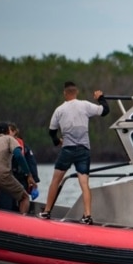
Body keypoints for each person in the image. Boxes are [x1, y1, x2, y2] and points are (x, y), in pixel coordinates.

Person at [41, 81, 110, 223]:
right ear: (76, 92)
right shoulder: (85, 105)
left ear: (65, 93)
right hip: (83, 149)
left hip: (67, 149)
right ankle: (87, 215)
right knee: (84, 184)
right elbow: (105, 111)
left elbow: (51, 131)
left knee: (55, 180)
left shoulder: (59, 110)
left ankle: (47, 211)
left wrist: (56, 141)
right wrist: (100, 98)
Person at [0, 121, 36, 214]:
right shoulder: (9, 139)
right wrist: (29, 175)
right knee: (24, 197)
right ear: (8, 131)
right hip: (1, 174)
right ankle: (22, 223)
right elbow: (19, 156)